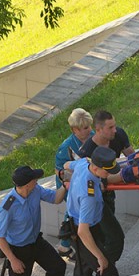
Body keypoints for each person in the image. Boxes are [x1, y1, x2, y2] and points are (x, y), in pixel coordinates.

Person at [0, 166, 67, 276]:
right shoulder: (8, 206)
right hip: (19, 249)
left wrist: (65, 186)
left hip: (36, 242)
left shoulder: (36, 190)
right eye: (35, 179)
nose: (37, 180)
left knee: (58, 267)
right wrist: (13, 260)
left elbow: (55, 199)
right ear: (28, 184)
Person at [78, 110, 132, 263]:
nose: (115, 130)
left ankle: (102, 264)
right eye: (110, 128)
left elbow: (132, 157)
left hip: (109, 192)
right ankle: (103, 266)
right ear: (98, 130)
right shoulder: (87, 152)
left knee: (109, 233)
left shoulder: (119, 135)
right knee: (110, 236)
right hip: (94, 197)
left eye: (114, 126)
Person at [65, 146, 121, 276]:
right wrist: (101, 258)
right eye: (107, 171)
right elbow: (83, 232)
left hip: (86, 224)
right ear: (96, 169)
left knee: (84, 266)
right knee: (108, 273)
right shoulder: (89, 196)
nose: (109, 174)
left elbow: (66, 165)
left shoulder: (84, 163)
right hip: (83, 230)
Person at [54, 108, 94, 259]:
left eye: (89, 126)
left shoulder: (93, 136)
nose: (89, 130)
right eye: (84, 128)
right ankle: (64, 244)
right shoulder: (66, 147)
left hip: (87, 180)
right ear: (74, 129)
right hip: (70, 184)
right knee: (72, 211)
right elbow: (59, 171)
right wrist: (69, 183)